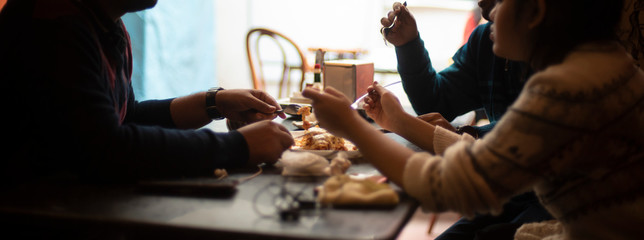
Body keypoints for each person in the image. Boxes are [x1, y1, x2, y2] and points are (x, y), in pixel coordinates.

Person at [304, 0, 644, 239]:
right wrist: (408, 53)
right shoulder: (609, 61)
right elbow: (440, 102)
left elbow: (451, 186)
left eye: (502, 2)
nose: (490, 10)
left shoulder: (565, 88)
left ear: (535, 11)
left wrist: (353, 127)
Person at [0, 0, 294, 184]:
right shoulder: (51, 25)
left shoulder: (104, 24)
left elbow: (125, 119)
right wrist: (237, 147)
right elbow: (105, 149)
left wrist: (215, 103)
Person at [381, 0, 551, 238]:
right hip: (508, 192)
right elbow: (435, 103)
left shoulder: (564, 66)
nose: (480, 2)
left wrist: (389, 123)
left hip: (551, 200)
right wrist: (408, 45)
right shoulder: (485, 41)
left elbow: (523, 141)